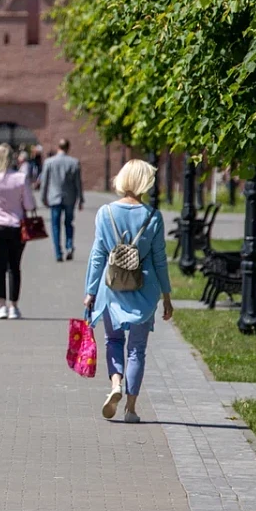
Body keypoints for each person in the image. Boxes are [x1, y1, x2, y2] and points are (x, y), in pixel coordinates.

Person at [84, 159, 173, 424]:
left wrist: (90, 291)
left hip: (111, 289)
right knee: (137, 349)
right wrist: (167, 296)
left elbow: (97, 256)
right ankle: (131, 409)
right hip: (144, 290)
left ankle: (115, 385)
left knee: (113, 341)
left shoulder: (105, 213)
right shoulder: (153, 216)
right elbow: (159, 259)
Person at [0, 143, 35, 320]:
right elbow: (29, 204)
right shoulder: (20, 178)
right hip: (16, 225)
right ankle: (14, 306)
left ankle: (1, 305)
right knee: (15, 267)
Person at [39, 139, 86, 262]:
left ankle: (58, 252)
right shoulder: (74, 162)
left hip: (54, 197)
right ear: (68, 147)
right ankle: (69, 246)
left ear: (58, 147)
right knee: (69, 223)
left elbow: (45, 182)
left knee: (55, 225)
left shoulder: (49, 162)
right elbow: (78, 183)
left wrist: (43, 198)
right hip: (70, 198)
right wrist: (81, 199)